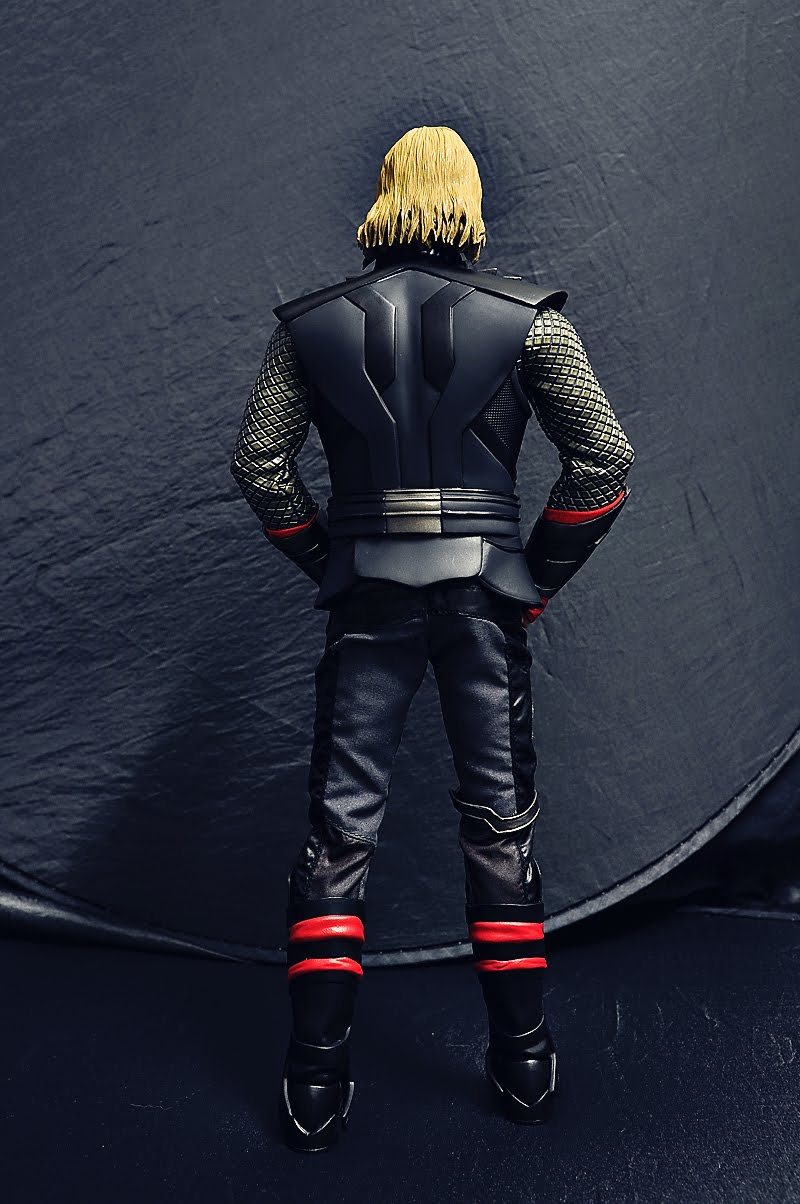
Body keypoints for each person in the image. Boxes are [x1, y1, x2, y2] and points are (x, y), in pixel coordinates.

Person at [230, 125, 635, 1152]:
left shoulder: (310, 327)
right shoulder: (530, 324)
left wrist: (330, 558)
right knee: (498, 823)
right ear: (467, 198)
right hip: (483, 596)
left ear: (384, 194)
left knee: (340, 830)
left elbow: (259, 463)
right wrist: (532, 582)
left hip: (366, 591)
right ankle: (524, 1058)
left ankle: (314, 1077)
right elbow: (603, 461)